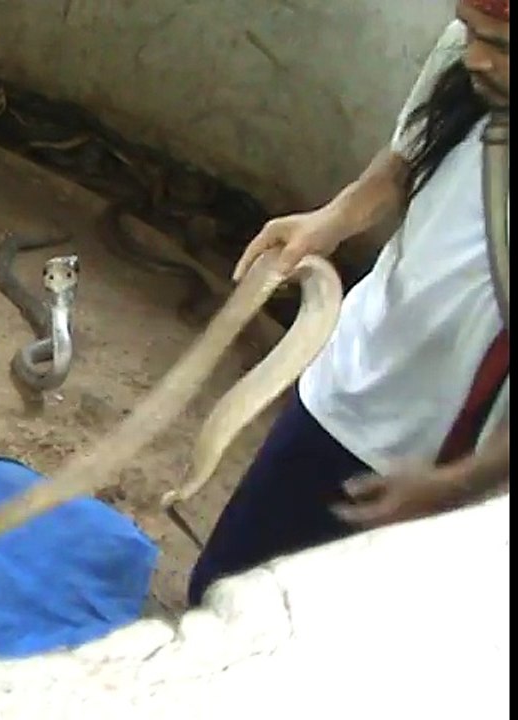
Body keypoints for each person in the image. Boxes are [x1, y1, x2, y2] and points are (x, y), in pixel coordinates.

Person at [187, 0, 510, 607]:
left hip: (437, 462)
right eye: (471, 31)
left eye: (502, 46)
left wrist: (456, 485)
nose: (475, 57)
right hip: (348, 384)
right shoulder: (470, 55)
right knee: (222, 592)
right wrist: (331, 221)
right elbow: (410, 152)